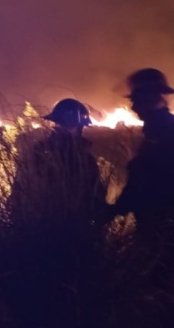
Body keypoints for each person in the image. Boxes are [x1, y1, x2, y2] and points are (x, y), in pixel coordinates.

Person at [110, 68, 174, 282]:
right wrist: (119, 207)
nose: (133, 106)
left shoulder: (171, 130)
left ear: (151, 98)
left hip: (168, 218)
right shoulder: (157, 130)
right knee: (161, 272)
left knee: (163, 274)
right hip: (162, 217)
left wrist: (152, 175)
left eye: (137, 100)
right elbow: (142, 177)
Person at [11, 98, 106, 235]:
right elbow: (95, 195)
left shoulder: (37, 152)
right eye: (81, 126)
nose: (82, 130)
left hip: (36, 231)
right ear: (76, 125)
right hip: (73, 231)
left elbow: (19, 191)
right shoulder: (81, 158)